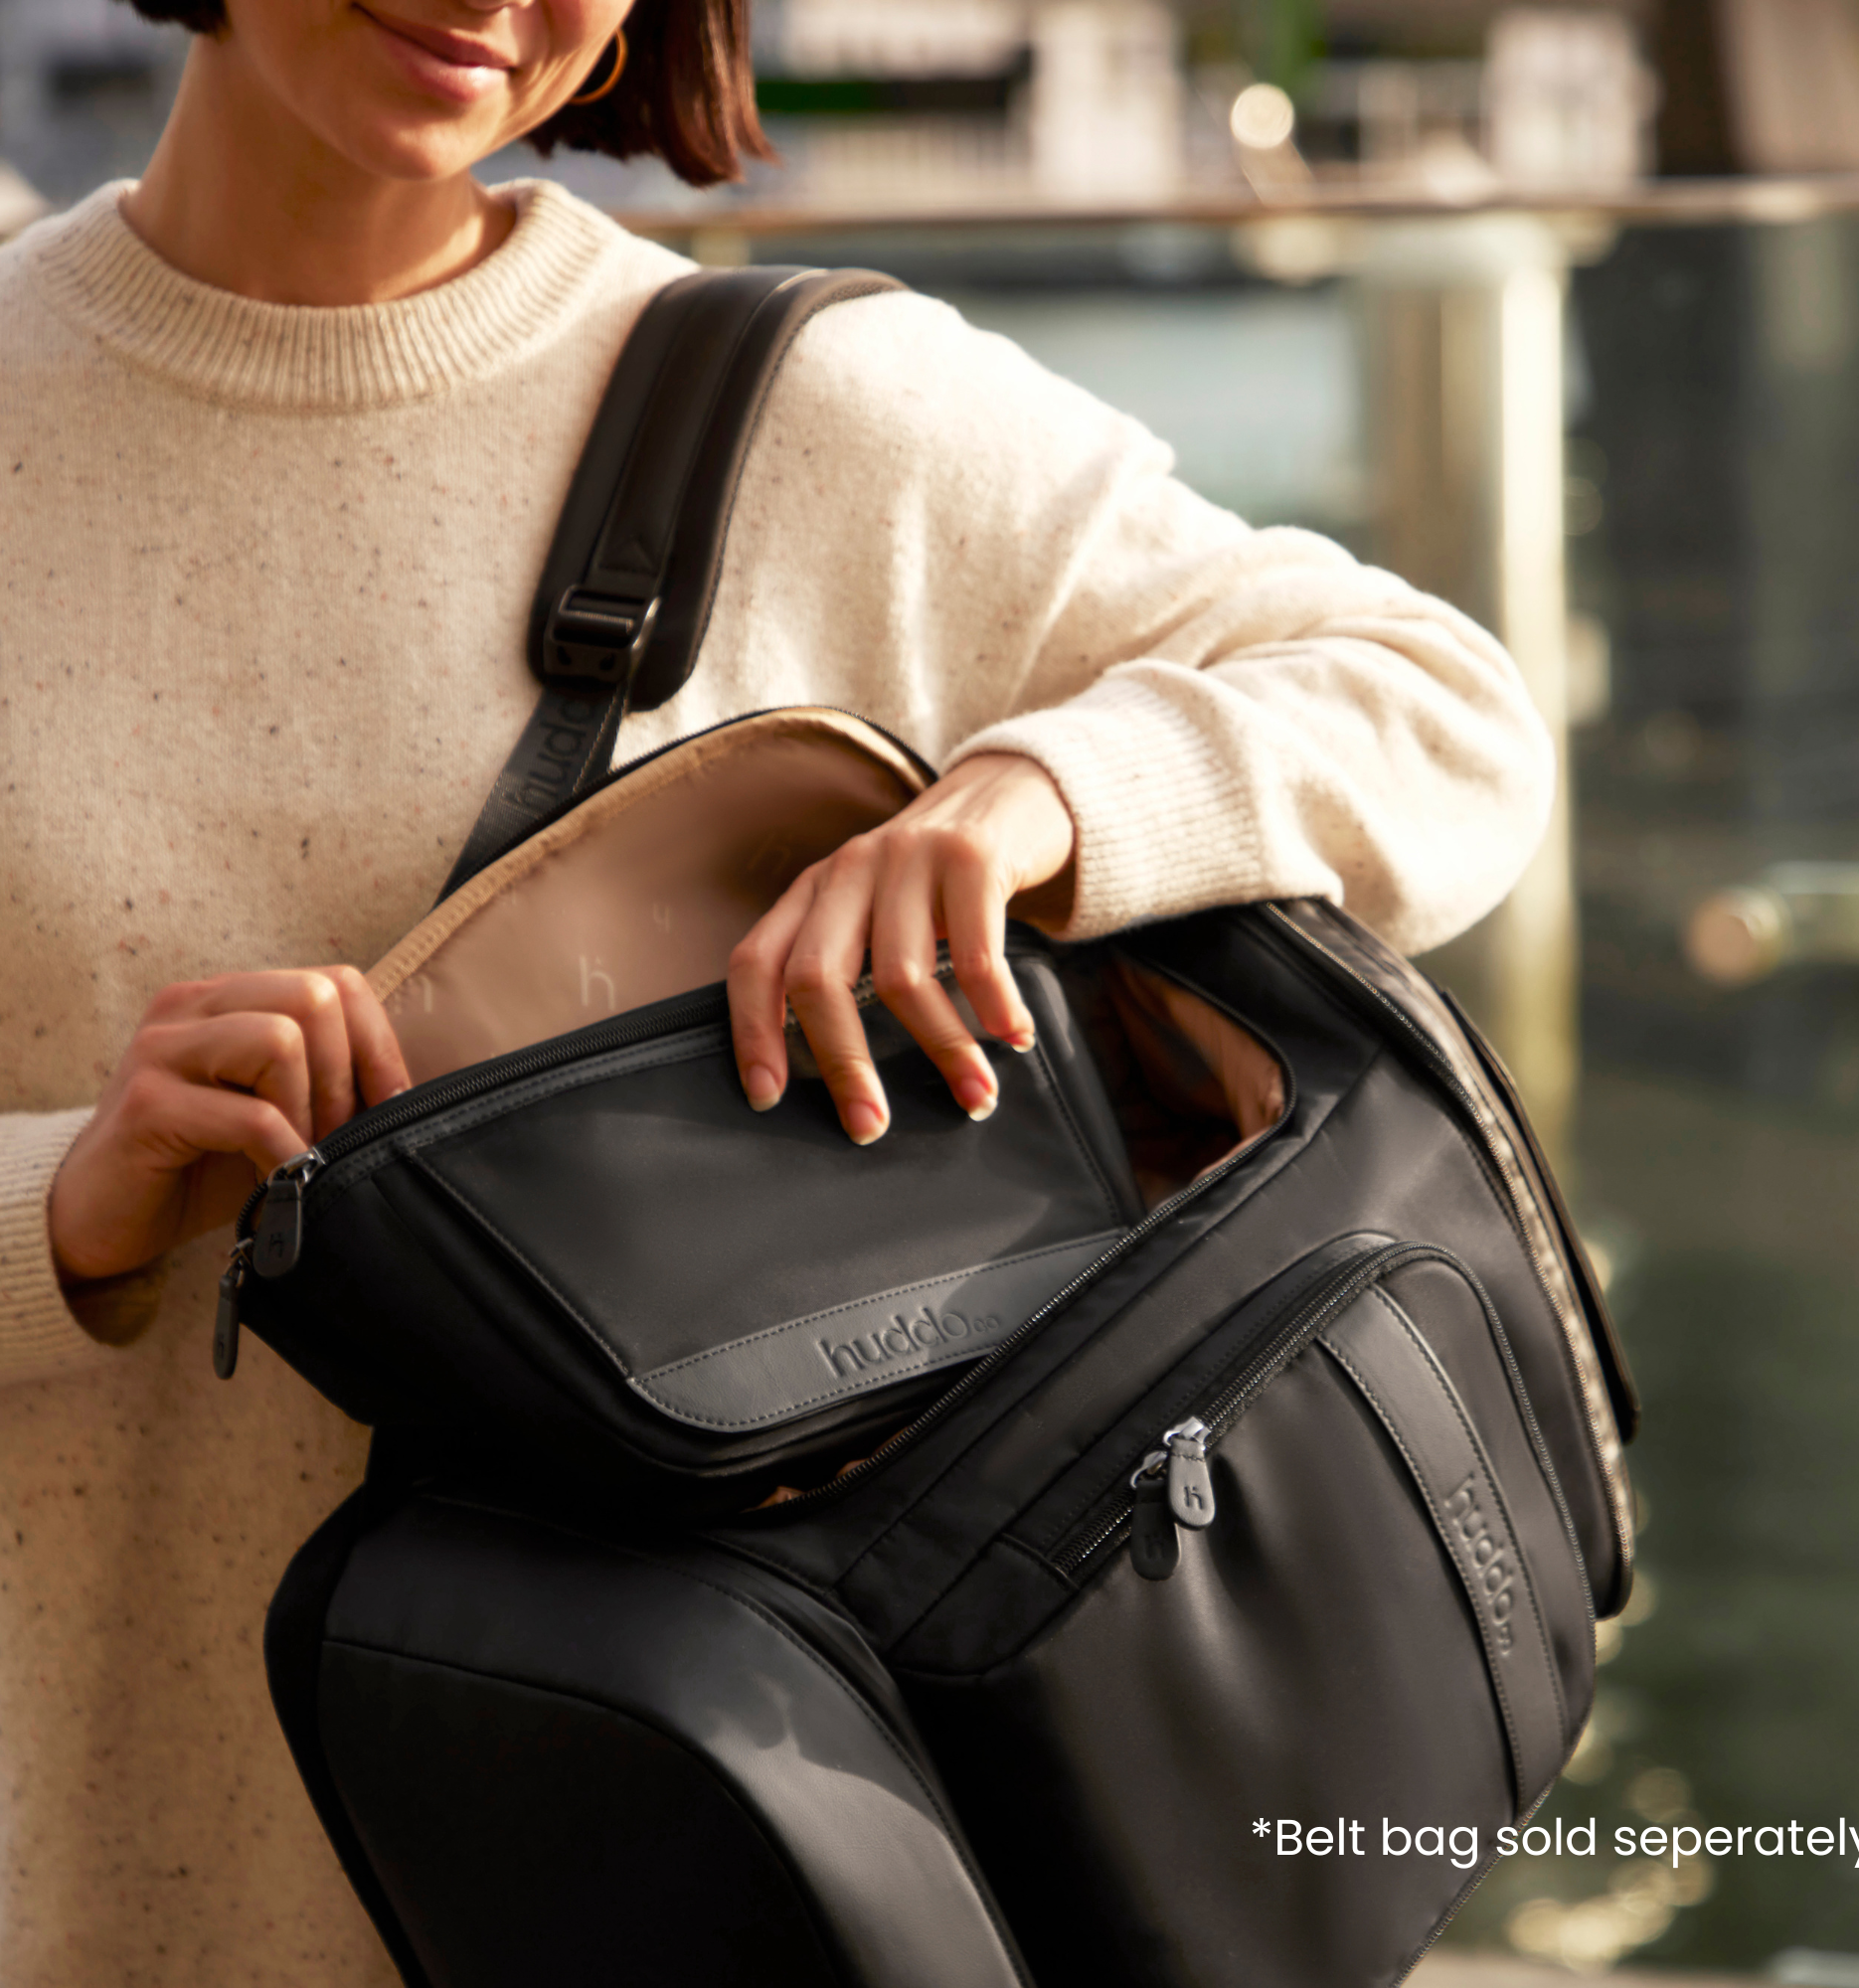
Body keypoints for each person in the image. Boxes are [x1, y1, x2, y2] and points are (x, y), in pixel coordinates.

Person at [0, 0, 1555, 1978]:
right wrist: (65, 1208)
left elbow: (1442, 713)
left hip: (693, 1888)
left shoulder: (804, 413)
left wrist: (1036, 798)